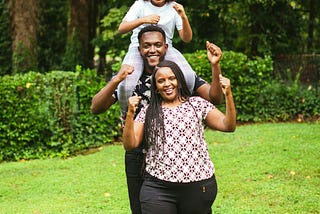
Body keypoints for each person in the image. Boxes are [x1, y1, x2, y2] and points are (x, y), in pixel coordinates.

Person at [91, 25, 223, 214]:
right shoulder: (129, 80)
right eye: (147, 45)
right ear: (139, 49)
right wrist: (116, 80)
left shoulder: (177, 77)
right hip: (138, 154)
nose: (152, 50)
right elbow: (96, 108)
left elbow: (214, 98)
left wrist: (215, 66)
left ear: (166, 47)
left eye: (158, 45)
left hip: (171, 156)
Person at [122, 60, 236, 213]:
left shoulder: (197, 104)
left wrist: (228, 95)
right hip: (158, 187)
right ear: (156, 88)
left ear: (179, 81)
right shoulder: (148, 111)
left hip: (198, 185)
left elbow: (228, 125)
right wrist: (130, 114)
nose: (167, 84)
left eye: (172, 78)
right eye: (161, 81)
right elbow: (130, 144)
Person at [117, 0, 195, 116]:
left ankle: (183, 110)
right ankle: (125, 113)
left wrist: (183, 17)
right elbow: (121, 28)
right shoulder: (140, 5)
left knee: (188, 76)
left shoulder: (174, 7)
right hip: (138, 47)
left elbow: (187, 38)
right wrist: (143, 20)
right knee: (126, 84)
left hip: (165, 47)